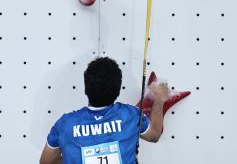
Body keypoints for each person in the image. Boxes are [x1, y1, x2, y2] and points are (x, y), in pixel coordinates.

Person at [39, 57, 170, 164]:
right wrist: (159, 100)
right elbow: (154, 135)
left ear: (85, 89)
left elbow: (46, 161)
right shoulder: (131, 115)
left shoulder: (65, 124)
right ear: (118, 91)